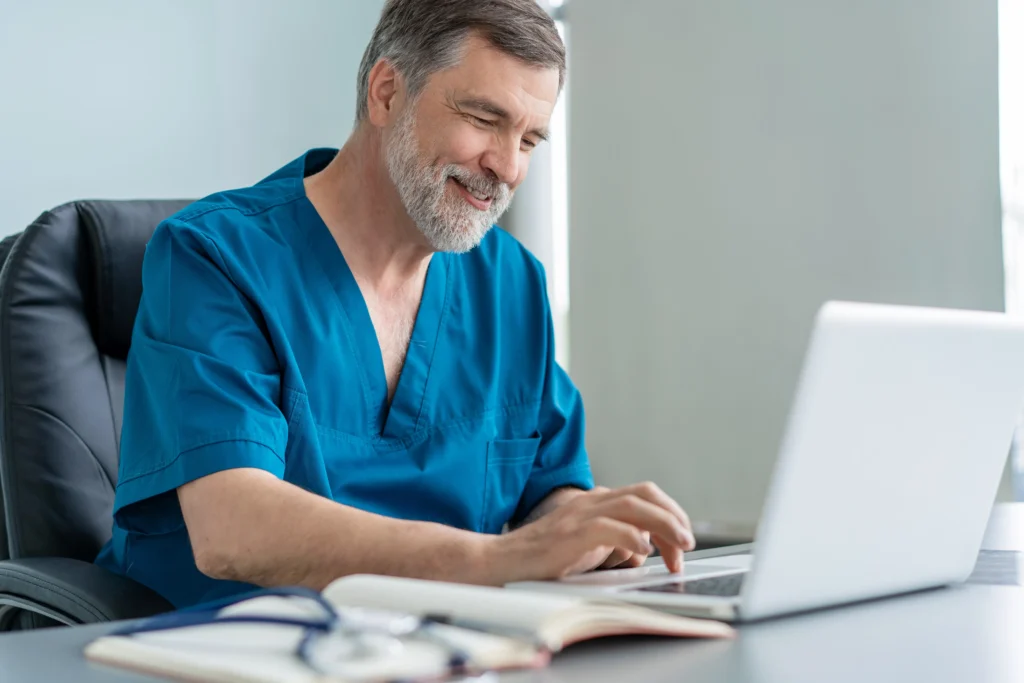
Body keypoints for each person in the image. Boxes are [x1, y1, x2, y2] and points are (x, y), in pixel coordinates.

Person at [96, 0, 696, 609]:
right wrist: (499, 560)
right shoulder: (215, 257)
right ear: (386, 93)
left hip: (450, 647)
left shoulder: (511, 283)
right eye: (484, 118)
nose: (508, 166)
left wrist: (592, 531)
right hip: (223, 652)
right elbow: (230, 530)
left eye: (530, 139)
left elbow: (550, 485)